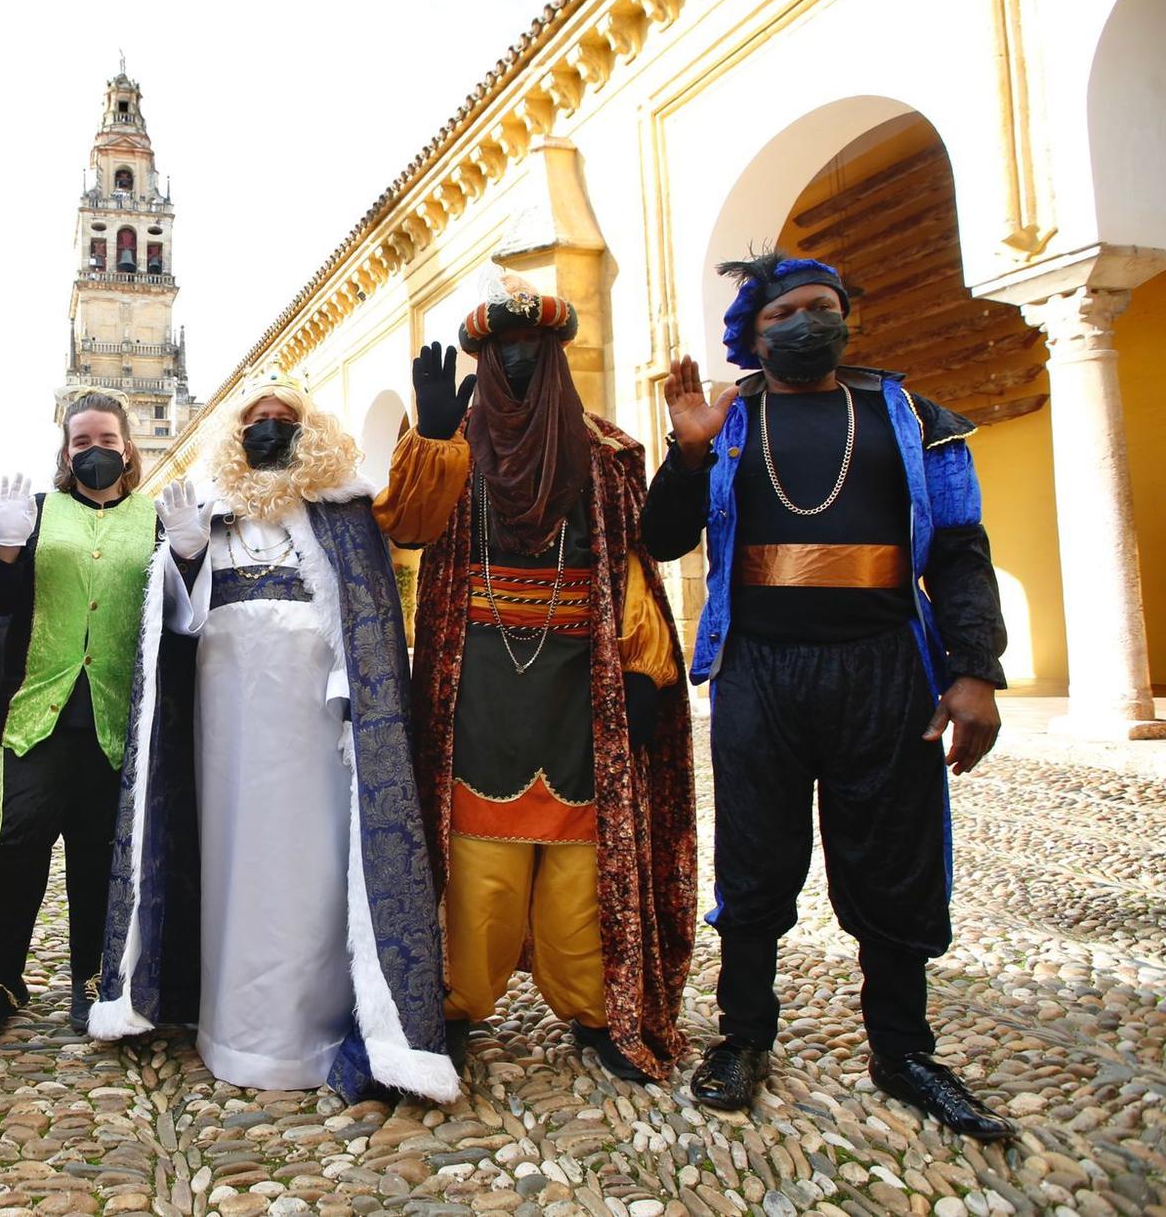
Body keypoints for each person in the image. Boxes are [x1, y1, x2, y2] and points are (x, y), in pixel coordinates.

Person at [641, 251, 1013, 1139]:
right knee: (756, 862)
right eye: (785, 315)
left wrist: (974, 670)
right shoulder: (727, 424)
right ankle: (744, 1037)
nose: (807, 323)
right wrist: (689, 456)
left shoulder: (914, 419)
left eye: (822, 307)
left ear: (847, 316)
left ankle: (905, 1049)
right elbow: (659, 539)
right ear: (753, 333)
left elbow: (960, 548)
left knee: (896, 860)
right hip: (761, 672)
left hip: (887, 668)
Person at [91, 374, 458, 1103]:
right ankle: (233, 1029)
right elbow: (175, 629)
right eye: (254, 418)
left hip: (315, 725)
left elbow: (367, 619)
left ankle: (314, 1031)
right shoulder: (210, 510)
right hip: (228, 722)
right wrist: (187, 556)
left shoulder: (342, 510)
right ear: (235, 433)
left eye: (280, 417)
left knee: (313, 868)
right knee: (235, 866)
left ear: (305, 427)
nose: (267, 428)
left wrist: (354, 682)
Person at [374, 273, 695, 1084]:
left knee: (581, 864)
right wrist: (435, 444)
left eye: (529, 346)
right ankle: (455, 1003)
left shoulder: (608, 454)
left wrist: (647, 665)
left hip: (580, 683)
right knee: (480, 861)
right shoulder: (454, 448)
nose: (514, 358)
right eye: (496, 347)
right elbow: (406, 526)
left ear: (554, 357)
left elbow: (632, 563)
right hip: (477, 679)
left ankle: (594, 1011)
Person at [0, 391, 206, 1048]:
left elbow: (184, 616)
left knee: (97, 851)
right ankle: (4, 979)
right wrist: (7, 549)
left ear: (127, 446)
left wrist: (188, 555)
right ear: (65, 453)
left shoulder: (153, 518)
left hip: (115, 713)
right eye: (81, 442)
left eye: (106, 439)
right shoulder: (36, 513)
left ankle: (91, 978)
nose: (94, 450)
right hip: (40, 707)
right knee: (20, 841)